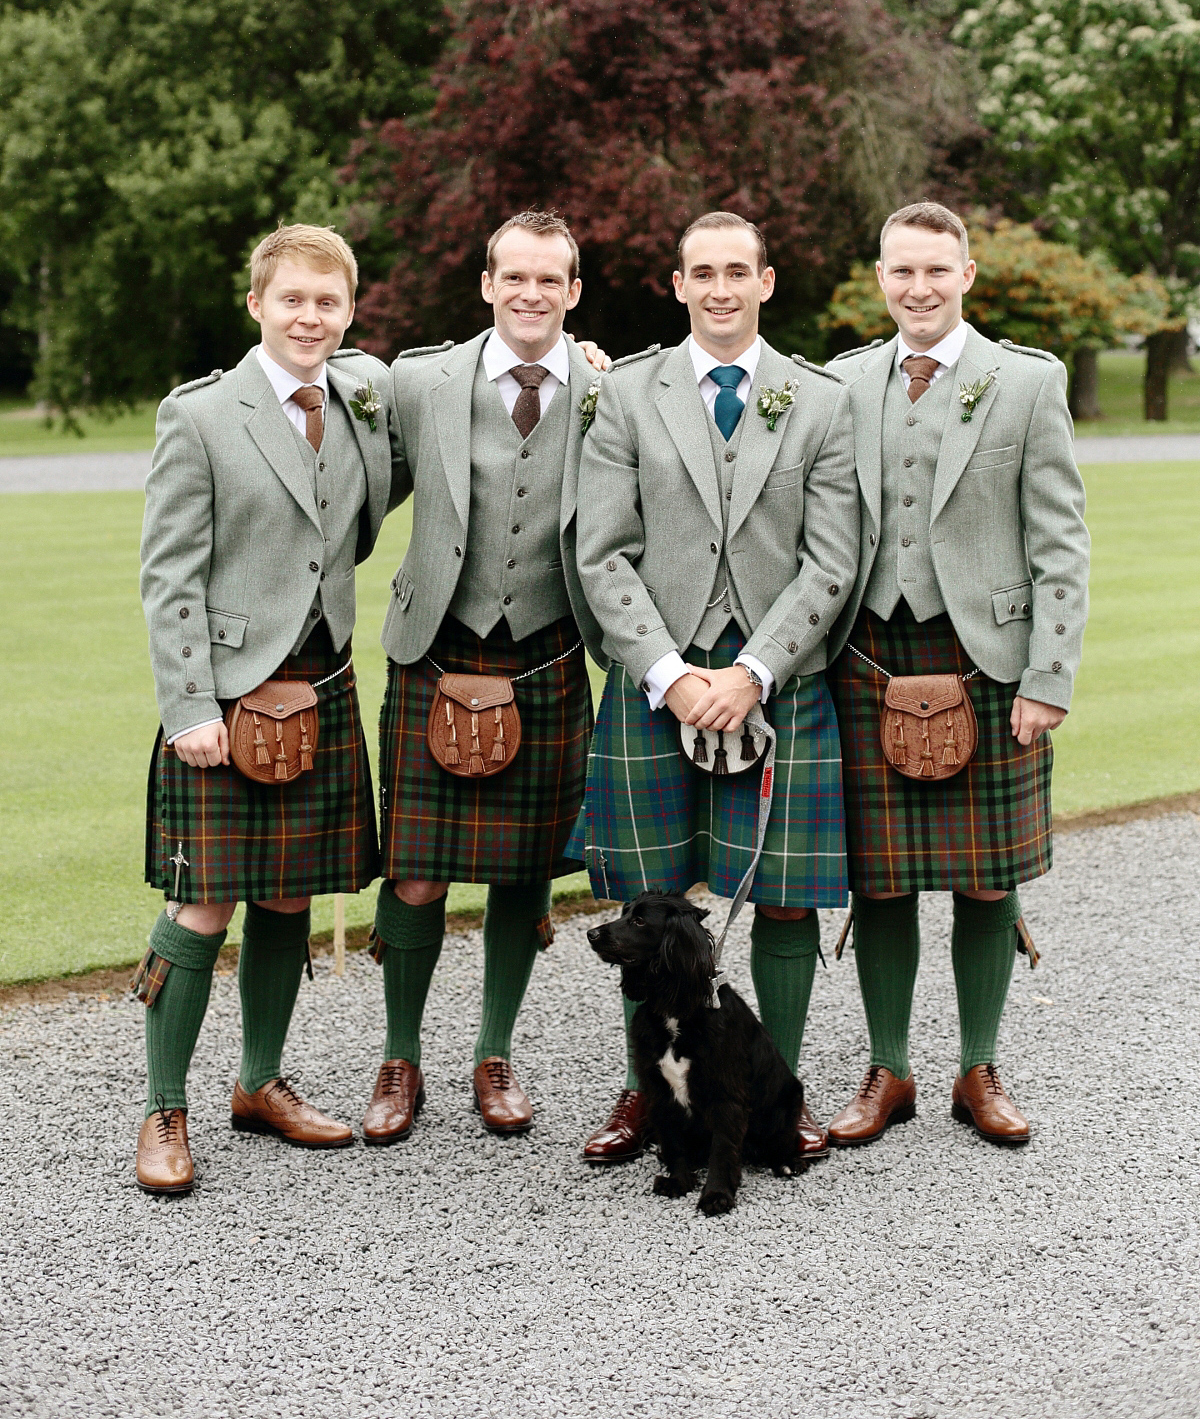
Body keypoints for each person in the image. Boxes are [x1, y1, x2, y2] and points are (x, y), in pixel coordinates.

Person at [571, 211, 859, 1167]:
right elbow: (602, 553)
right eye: (704, 272)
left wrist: (752, 672)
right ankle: (644, 1095)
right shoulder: (626, 396)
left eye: (739, 271)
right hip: (658, 675)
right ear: (678, 283)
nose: (722, 287)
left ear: (767, 283)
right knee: (647, 904)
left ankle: (773, 1085)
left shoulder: (818, 399)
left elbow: (831, 562)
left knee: (781, 897)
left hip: (776, 679)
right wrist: (669, 674)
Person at [135, 223, 403, 1195]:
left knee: (289, 894)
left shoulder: (361, 403)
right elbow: (167, 578)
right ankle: (165, 1108)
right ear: (257, 303)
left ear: (348, 311)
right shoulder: (201, 415)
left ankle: (259, 1084)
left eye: (328, 302)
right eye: (293, 298)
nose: (310, 317)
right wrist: (188, 705)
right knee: (201, 903)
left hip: (321, 688)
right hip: (227, 700)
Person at [824, 201, 1089, 1147]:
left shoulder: (1026, 381)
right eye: (902, 271)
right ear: (881, 276)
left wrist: (1048, 675)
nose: (919, 289)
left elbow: (1061, 541)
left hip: (987, 661)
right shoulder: (841, 384)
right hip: (865, 660)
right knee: (882, 880)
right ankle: (889, 1069)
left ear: (967, 274)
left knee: (986, 879)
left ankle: (978, 1068)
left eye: (936, 271)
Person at [363, 210, 607, 1142]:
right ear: (487, 282)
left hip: (546, 651)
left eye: (550, 281)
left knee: (524, 873)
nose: (531, 295)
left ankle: (494, 1053)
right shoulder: (418, 380)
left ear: (573, 292)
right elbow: (354, 489)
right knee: (417, 874)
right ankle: (400, 1058)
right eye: (516, 278)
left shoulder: (602, 386)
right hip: (435, 647)